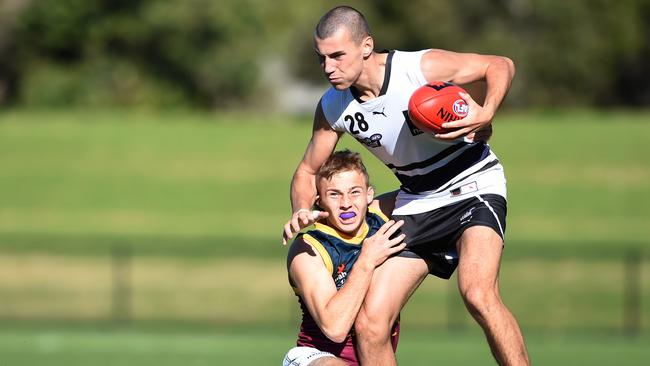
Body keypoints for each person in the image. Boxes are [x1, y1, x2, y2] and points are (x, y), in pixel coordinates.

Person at [282, 5, 530, 366]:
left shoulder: (417, 68)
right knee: (370, 324)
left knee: (477, 293)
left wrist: (487, 110)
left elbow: (500, 64)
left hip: (472, 184)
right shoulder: (334, 106)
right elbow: (307, 171)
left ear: (366, 46)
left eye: (337, 56)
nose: (328, 67)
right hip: (417, 200)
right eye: (321, 59)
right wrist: (302, 210)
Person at [283, 149, 406, 366]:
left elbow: (433, 193)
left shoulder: (380, 217)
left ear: (369, 194)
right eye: (334, 194)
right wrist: (367, 260)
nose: (346, 203)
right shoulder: (308, 248)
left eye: (354, 192)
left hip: (371, 353)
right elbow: (335, 328)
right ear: (319, 201)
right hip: (317, 355)